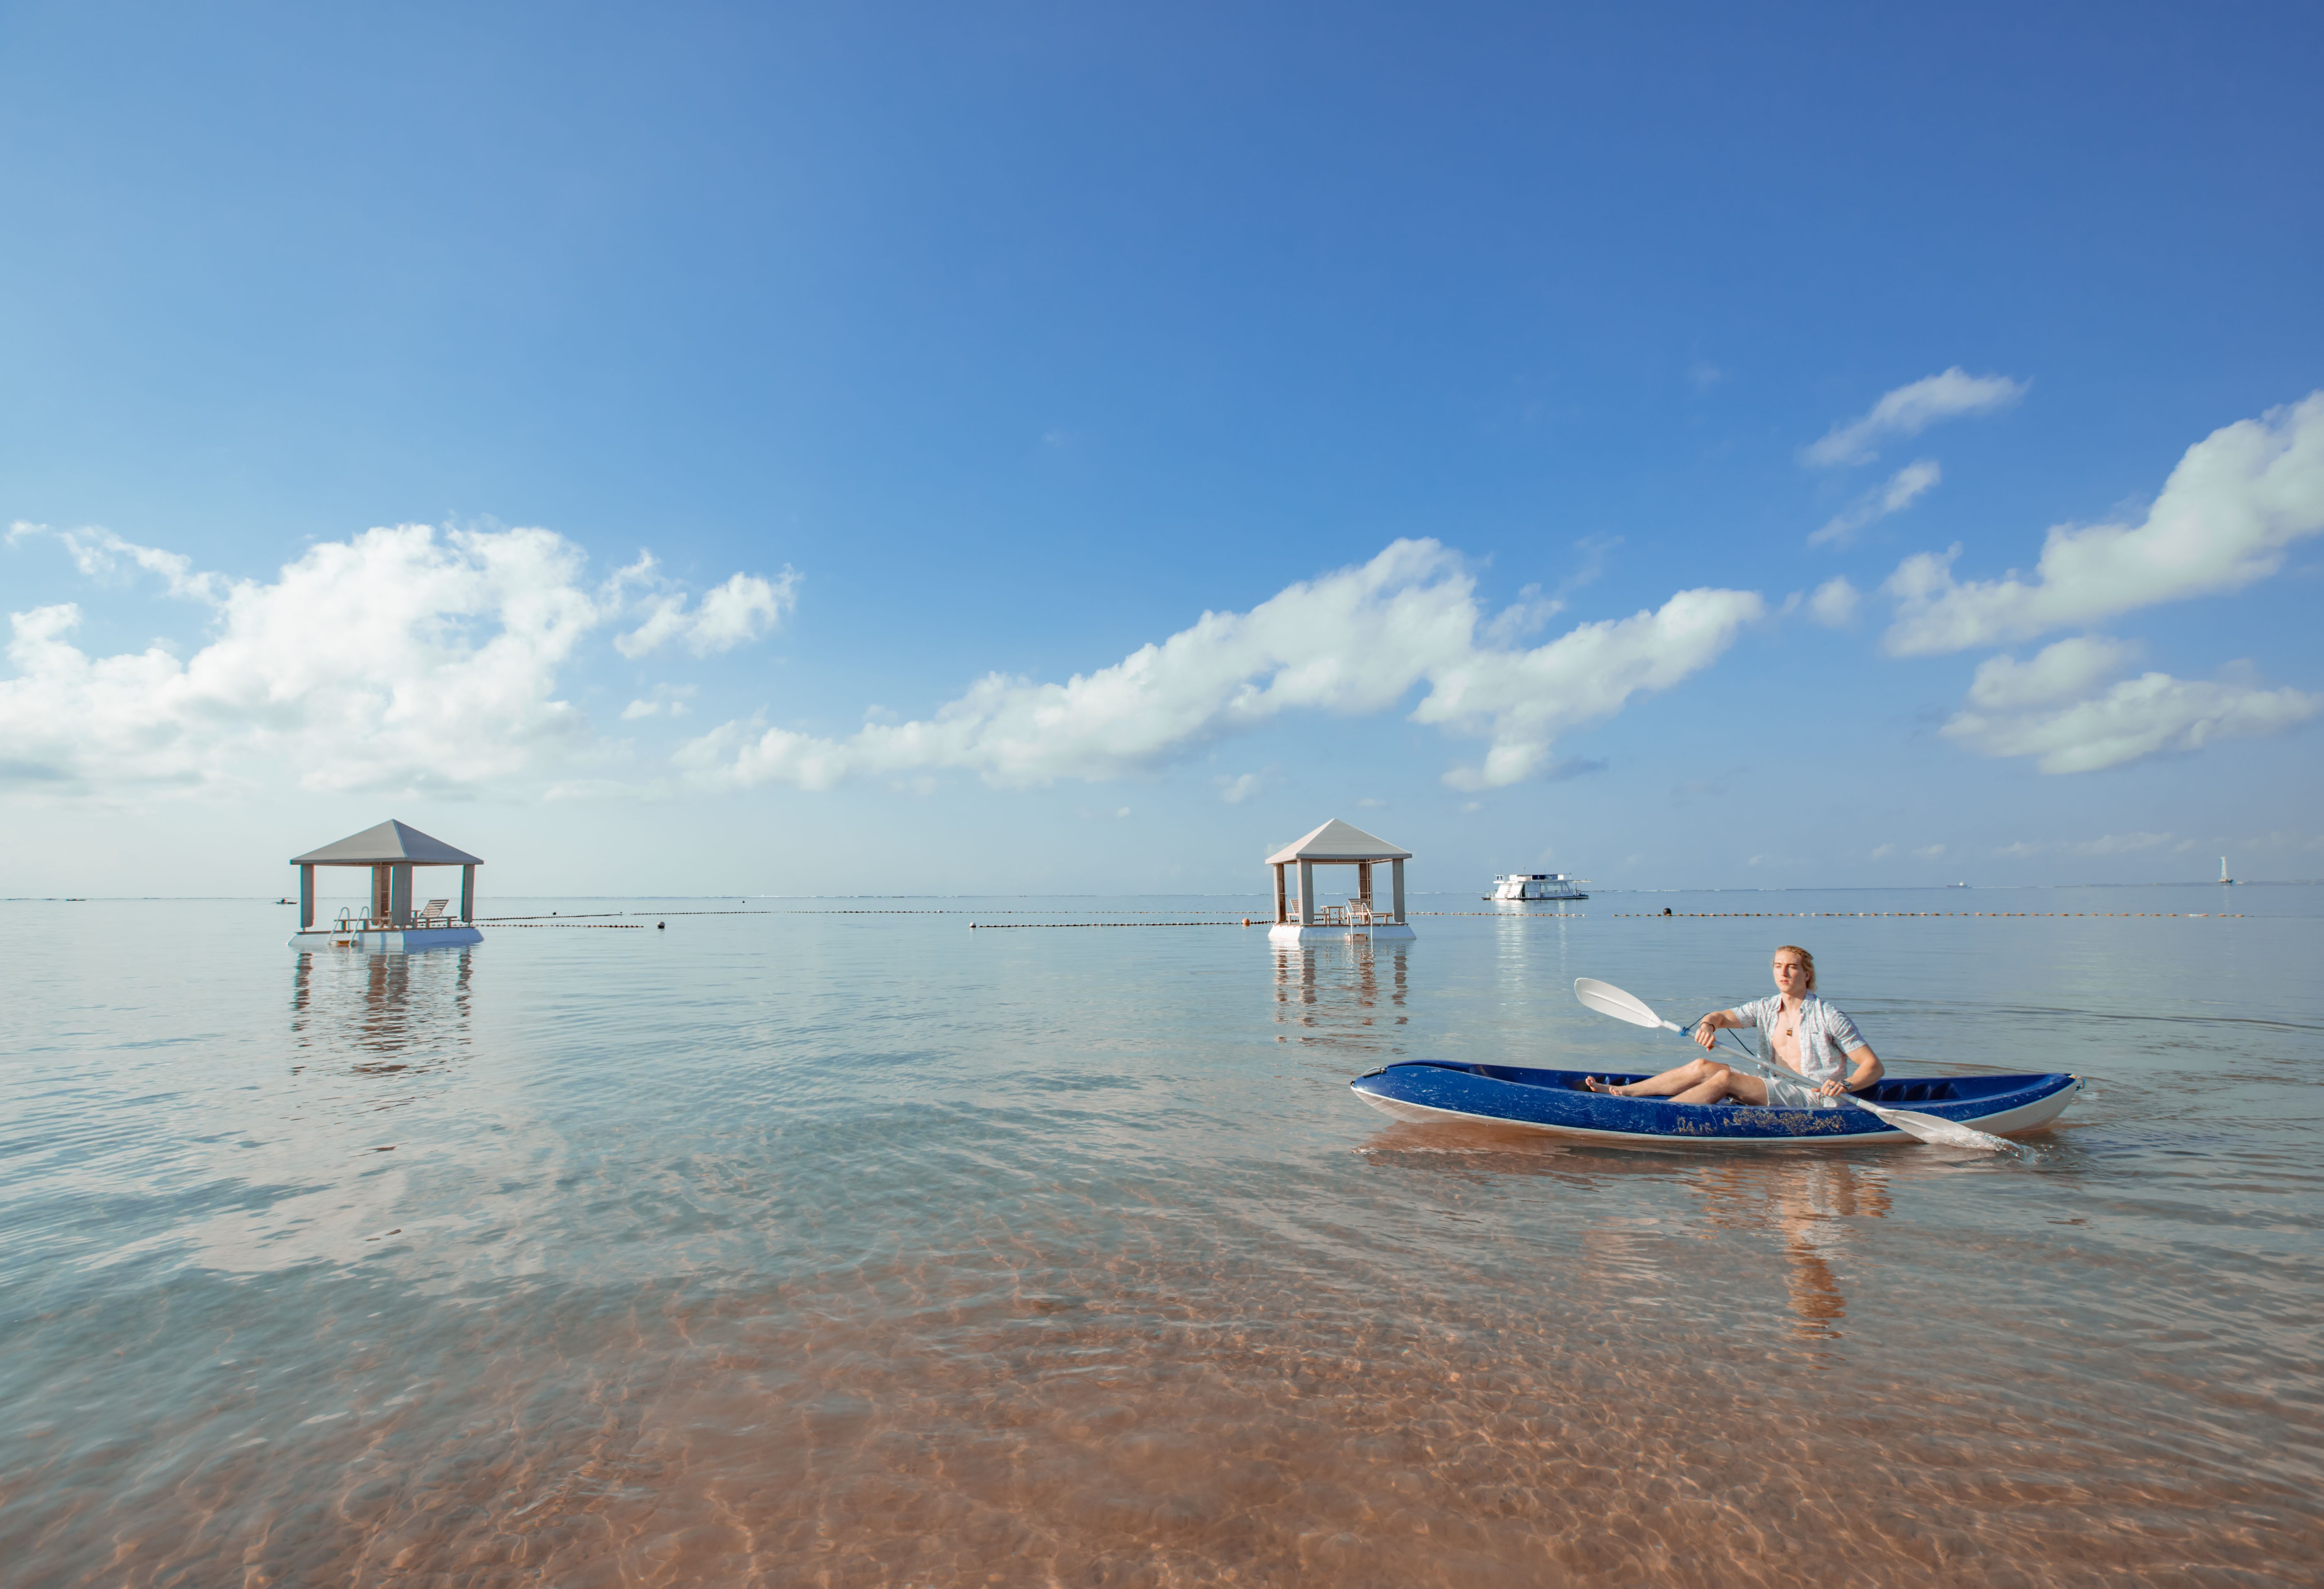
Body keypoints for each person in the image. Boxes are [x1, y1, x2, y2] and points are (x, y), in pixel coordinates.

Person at [1584, 945, 1884, 1107]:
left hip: (1812, 1096)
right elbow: (1719, 1016)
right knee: (1703, 1065)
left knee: (1724, 1080)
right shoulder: (1765, 1008)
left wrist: (1846, 1084)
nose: (1783, 972)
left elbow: (1873, 1067)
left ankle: (1663, 1114)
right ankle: (1626, 1094)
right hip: (1774, 1085)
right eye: (1778, 966)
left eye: (1792, 967)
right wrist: (1708, 1026)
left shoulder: (1828, 1016)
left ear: (1806, 975)